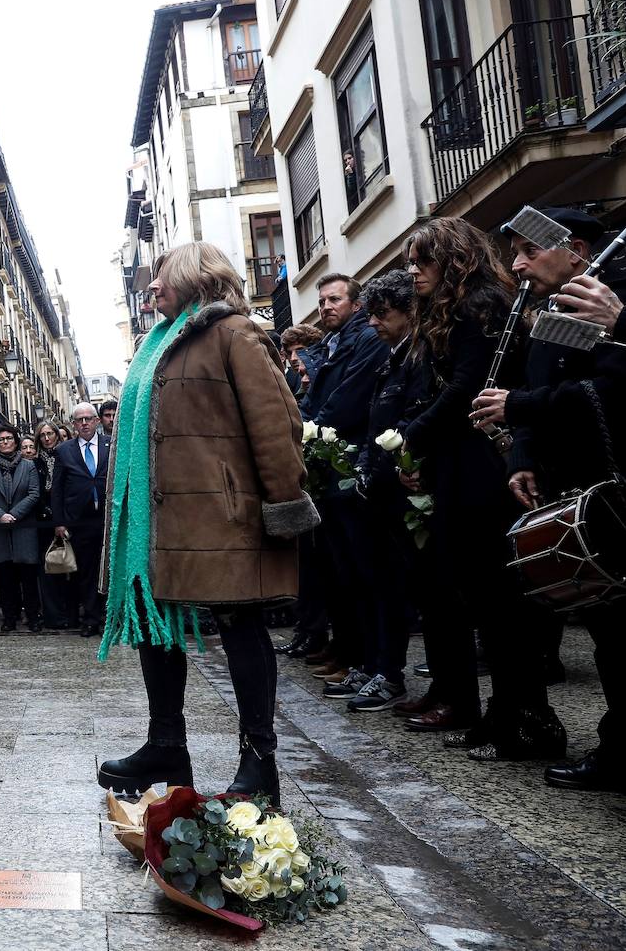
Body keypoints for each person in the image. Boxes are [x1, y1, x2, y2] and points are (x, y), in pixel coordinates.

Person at [96, 242, 317, 805]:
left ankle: (258, 759)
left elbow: (276, 424)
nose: (150, 287)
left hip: (225, 512)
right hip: (164, 519)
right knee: (155, 623)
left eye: (160, 276)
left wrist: (283, 504)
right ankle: (166, 743)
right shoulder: (156, 344)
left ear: (194, 275)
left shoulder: (234, 333)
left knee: (240, 627)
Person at [471, 207, 626, 789]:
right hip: (575, 487)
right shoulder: (554, 310)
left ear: (577, 251)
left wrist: (521, 408)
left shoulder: (609, 300)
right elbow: (539, 390)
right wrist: (522, 457)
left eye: (528, 252)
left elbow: (601, 391)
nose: (517, 265)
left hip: (614, 490)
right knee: (609, 629)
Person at [400, 217, 565, 761]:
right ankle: (504, 713)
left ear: (452, 259)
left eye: (423, 260)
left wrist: (408, 438)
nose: (413, 271)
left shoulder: (483, 304)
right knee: (482, 598)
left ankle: (527, 718)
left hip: (484, 463)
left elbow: (472, 387)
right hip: (460, 460)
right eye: (410, 261)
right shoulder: (457, 309)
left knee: (501, 599)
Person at [339, 270, 431, 711]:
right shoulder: (393, 357)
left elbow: (409, 419)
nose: (374, 322)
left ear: (409, 312)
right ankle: (379, 665)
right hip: (378, 487)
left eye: (383, 314)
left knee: (396, 587)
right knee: (375, 583)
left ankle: (390, 673)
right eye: (371, 313)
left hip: (403, 491)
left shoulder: (418, 357)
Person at [296, 274, 389, 686]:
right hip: (330, 471)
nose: (327, 306)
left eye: (335, 298)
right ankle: (353, 656)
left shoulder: (365, 339)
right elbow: (316, 397)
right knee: (341, 574)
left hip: (350, 466)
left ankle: (371, 662)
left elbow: (347, 399)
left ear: (356, 303)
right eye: (322, 300)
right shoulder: (327, 346)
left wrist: (312, 428)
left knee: (364, 575)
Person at [51, 402, 110, 637]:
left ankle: (110, 617)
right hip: (79, 521)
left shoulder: (110, 445)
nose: (84, 423)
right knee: (86, 572)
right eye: (79, 420)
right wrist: (59, 522)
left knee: (109, 570)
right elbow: (57, 489)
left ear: (97, 421)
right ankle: (91, 619)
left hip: (107, 519)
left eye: (89, 418)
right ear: (73, 424)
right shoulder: (64, 450)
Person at [0, 425, 42, 633]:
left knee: (28, 577)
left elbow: (34, 493)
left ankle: (33, 617)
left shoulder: (28, 466)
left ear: (16, 441)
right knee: (4, 578)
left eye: (9, 438)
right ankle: (9, 618)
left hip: (24, 527)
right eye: (1, 439)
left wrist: (14, 514)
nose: (5, 442)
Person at [32, 420, 70, 629]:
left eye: (50, 434)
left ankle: (71, 613)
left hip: (67, 517)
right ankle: (53, 616)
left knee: (69, 566)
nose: (47, 438)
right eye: (42, 435)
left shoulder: (66, 457)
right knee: (47, 569)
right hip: (43, 520)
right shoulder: (34, 462)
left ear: (57, 435)